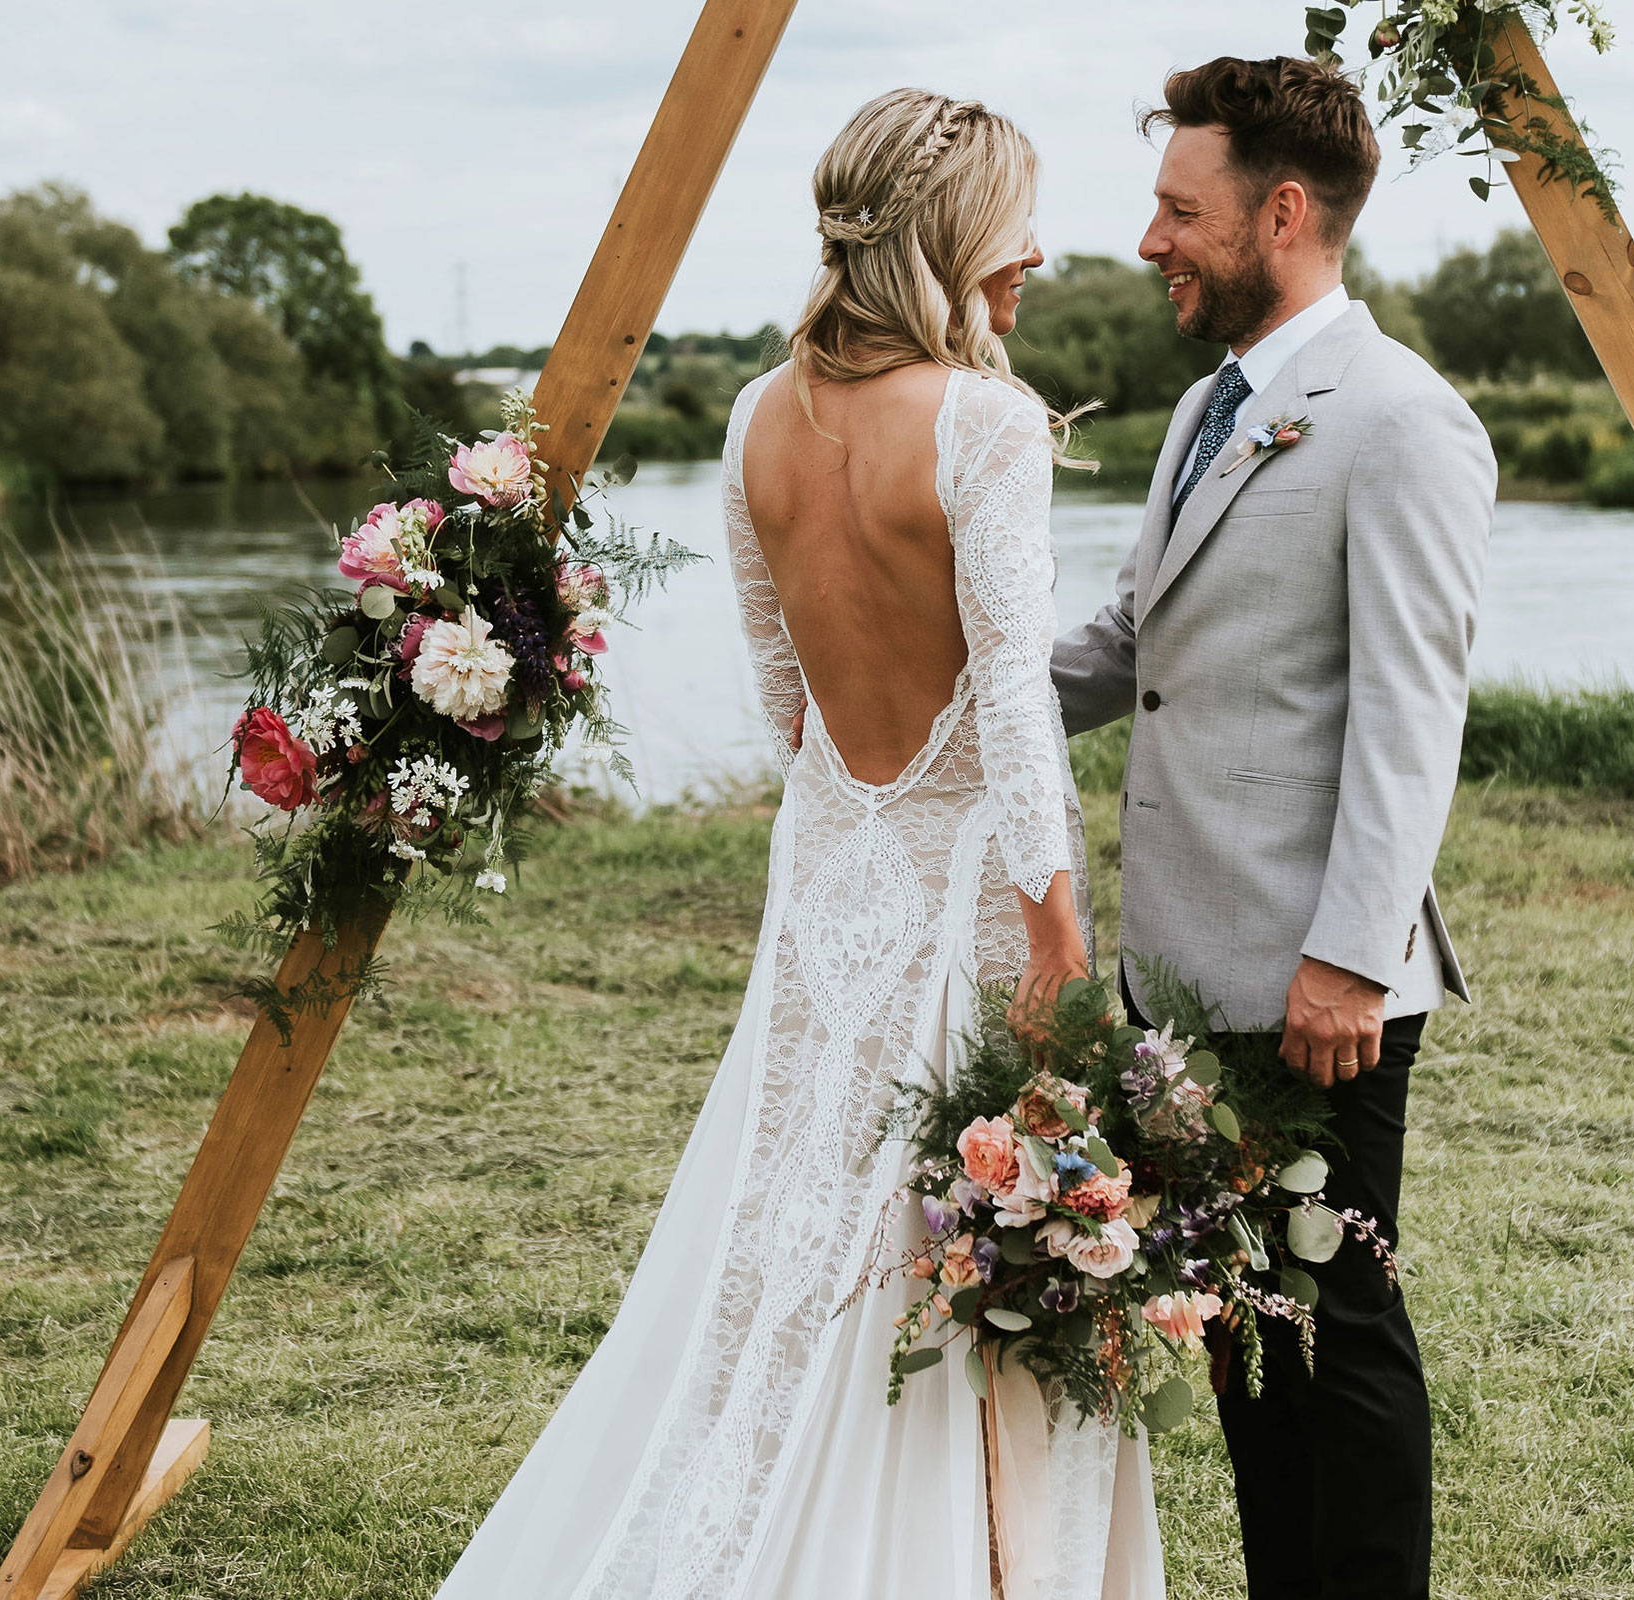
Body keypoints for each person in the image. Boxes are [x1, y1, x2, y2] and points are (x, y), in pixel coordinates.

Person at [436, 89, 1163, 1600]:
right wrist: (1057, 940)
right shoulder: (987, 424)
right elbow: (1018, 718)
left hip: (833, 875)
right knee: (978, 1228)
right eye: (1016, 223)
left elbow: (784, 695)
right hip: (970, 884)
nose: (1036, 254)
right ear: (954, 234)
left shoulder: (756, 417)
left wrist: (861, 817)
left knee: (808, 1232)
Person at [1051, 56, 1496, 1600]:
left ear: (1282, 211)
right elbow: (1130, 642)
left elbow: (1409, 714)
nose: (1152, 236)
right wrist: (929, 699)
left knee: (1337, 1323)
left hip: (1317, 985)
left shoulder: (1402, 420)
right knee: (1241, 1325)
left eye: (1182, 209)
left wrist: (1352, 960)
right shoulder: (1202, 410)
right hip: (1182, 972)